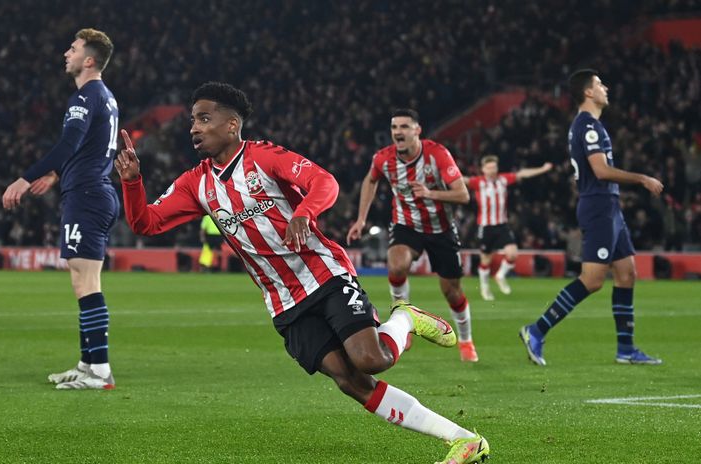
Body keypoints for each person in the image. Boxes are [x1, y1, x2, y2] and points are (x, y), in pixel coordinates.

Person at [116, 82, 490, 464]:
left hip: (323, 274)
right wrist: (132, 182)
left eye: (204, 118)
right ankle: (463, 440)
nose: (194, 127)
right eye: (193, 120)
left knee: (370, 359)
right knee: (351, 382)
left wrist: (304, 213)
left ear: (231, 125)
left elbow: (324, 182)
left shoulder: (264, 157)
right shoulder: (195, 183)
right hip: (283, 301)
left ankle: (405, 318)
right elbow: (146, 222)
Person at [519, 69, 664, 366]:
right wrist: (642, 178)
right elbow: (600, 170)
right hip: (598, 206)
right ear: (588, 92)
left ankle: (626, 349)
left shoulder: (591, 125)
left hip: (609, 206)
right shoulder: (587, 126)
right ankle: (536, 330)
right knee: (593, 279)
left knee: (626, 273)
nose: (605, 87)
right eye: (599, 84)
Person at [2, 28, 120, 389]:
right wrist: (56, 174)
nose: (66, 53)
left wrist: (25, 178)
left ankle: (100, 370)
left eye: (73, 48)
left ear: (89, 60)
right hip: (90, 192)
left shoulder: (85, 96)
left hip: (87, 195)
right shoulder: (105, 97)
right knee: (80, 278)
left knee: (87, 281)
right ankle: (88, 363)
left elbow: (69, 143)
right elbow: (90, 145)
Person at [346, 109, 479, 363]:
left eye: (404, 127)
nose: (398, 132)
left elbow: (463, 195)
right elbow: (370, 180)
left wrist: (430, 194)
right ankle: (403, 322)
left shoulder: (437, 154)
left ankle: (466, 340)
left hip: (441, 229)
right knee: (396, 265)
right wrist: (361, 218)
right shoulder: (383, 158)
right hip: (406, 225)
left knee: (452, 292)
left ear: (417, 130)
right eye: (394, 127)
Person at [465, 156, 553, 301]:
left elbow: (522, 173)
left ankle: (500, 275)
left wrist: (542, 169)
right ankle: (484, 287)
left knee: (512, 254)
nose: (492, 170)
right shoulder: (478, 182)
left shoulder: (503, 179)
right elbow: (462, 180)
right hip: (485, 226)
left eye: (494, 167)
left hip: (502, 225)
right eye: (489, 168)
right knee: (486, 259)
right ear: (483, 169)